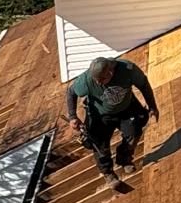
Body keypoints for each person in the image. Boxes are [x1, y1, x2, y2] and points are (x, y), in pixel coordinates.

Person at [66, 54, 158, 190]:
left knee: (134, 130)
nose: (98, 83)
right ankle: (108, 173)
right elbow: (71, 92)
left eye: (102, 79)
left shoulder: (127, 69)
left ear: (110, 71)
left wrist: (152, 106)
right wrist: (73, 116)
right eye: (96, 80)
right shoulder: (86, 80)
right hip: (100, 115)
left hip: (127, 108)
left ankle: (124, 158)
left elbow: (143, 84)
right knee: (99, 145)